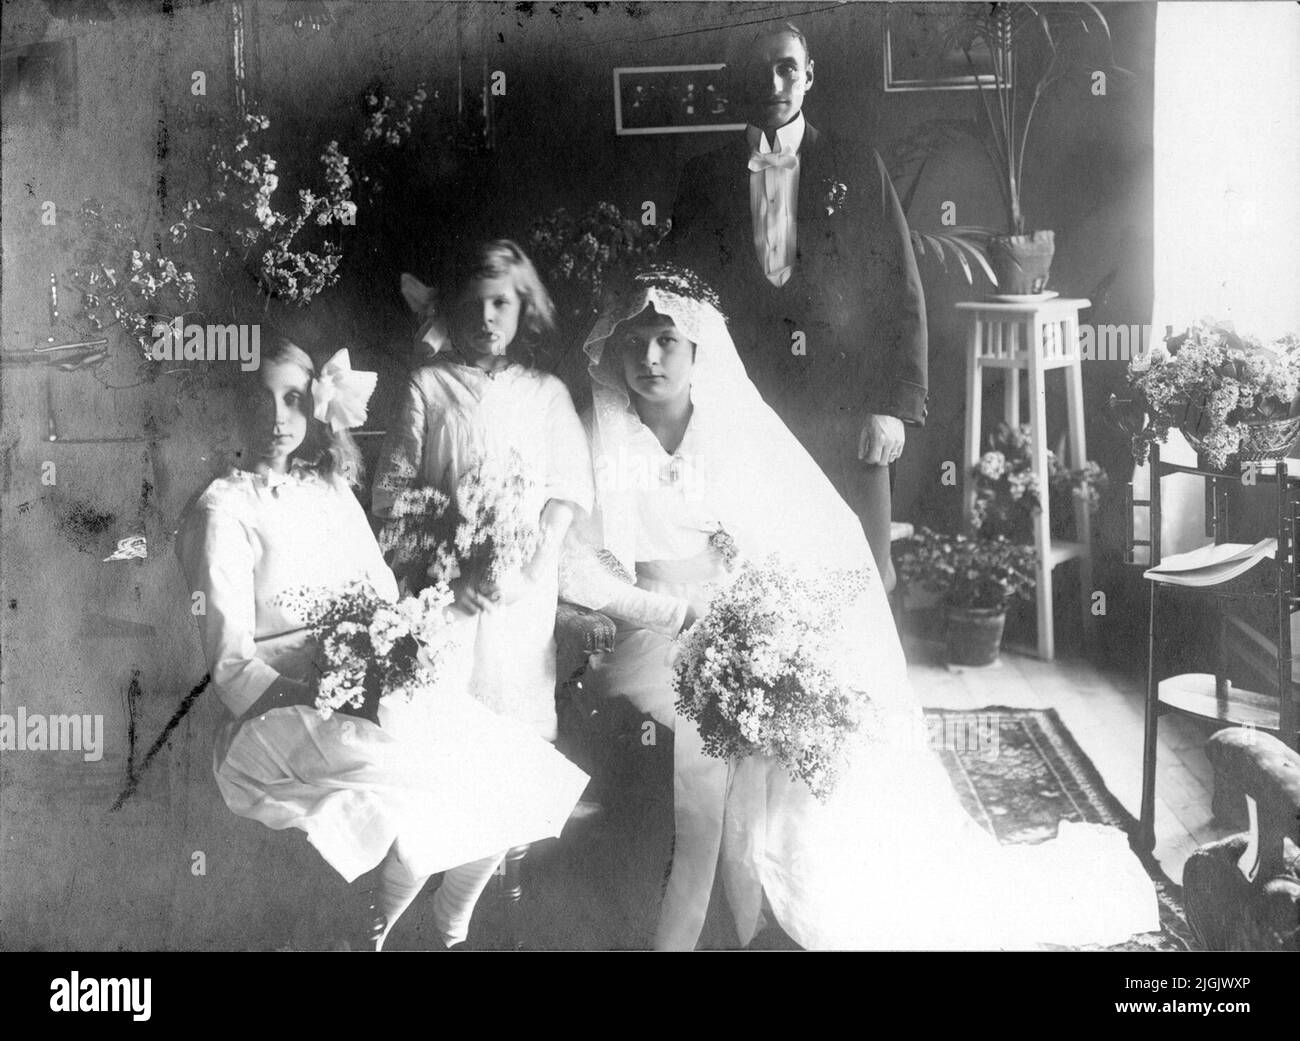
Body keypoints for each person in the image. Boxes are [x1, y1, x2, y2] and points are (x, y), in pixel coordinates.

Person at [561, 267, 1160, 950]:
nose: (649, 358)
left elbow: (806, 542)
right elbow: (577, 563)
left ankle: (789, 900)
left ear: (700, 350)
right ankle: (731, 908)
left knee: (821, 727)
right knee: (724, 729)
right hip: (657, 633)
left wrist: (772, 640)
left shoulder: (735, 429)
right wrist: (672, 616)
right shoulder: (601, 434)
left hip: (750, 626)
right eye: (636, 341)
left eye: (668, 339)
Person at [175, 340, 589, 950]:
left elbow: (380, 597)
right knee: (419, 781)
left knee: (505, 758)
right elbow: (232, 667)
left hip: (362, 683)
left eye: (293, 399)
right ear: (233, 405)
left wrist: (403, 644)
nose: (277, 418)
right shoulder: (225, 509)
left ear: (315, 407)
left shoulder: (330, 486)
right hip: (280, 713)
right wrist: (330, 689)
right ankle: (377, 927)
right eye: (261, 400)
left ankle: (450, 918)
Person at [669, 22, 928, 591]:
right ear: (737, 82)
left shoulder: (857, 165)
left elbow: (898, 291)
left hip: (846, 407)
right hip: (745, 412)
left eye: (787, 66)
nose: (774, 80)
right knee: (756, 582)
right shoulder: (703, 178)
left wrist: (892, 405)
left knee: (860, 579)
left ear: (809, 75)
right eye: (760, 69)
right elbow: (678, 304)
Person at [372, 240, 593, 742]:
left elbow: (567, 492)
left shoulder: (546, 393)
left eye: (500, 303)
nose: (487, 317)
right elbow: (392, 493)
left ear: (523, 310)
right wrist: (444, 568)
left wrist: (528, 570)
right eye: (472, 304)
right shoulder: (428, 386)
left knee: (513, 726)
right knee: (442, 722)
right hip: (442, 586)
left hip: (521, 590)